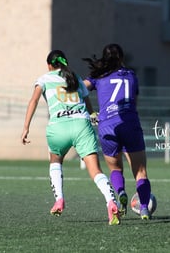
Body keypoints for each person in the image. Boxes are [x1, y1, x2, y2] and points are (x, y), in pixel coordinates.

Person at [21, 50, 120, 225]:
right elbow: (87, 103)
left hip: (59, 127)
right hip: (82, 125)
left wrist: (26, 127)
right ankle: (111, 201)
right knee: (95, 170)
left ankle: (59, 199)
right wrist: (93, 115)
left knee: (55, 162)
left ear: (49, 65)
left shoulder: (44, 79)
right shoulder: (75, 77)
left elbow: (33, 101)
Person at [82, 43, 153, 220]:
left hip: (107, 126)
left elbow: (80, 89)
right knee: (140, 171)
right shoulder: (131, 75)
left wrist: (90, 112)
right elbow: (134, 101)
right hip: (130, 123)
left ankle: (120, 191)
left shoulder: (98, 76)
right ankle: (144, 208)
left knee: (115, 168)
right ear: (121, 58)